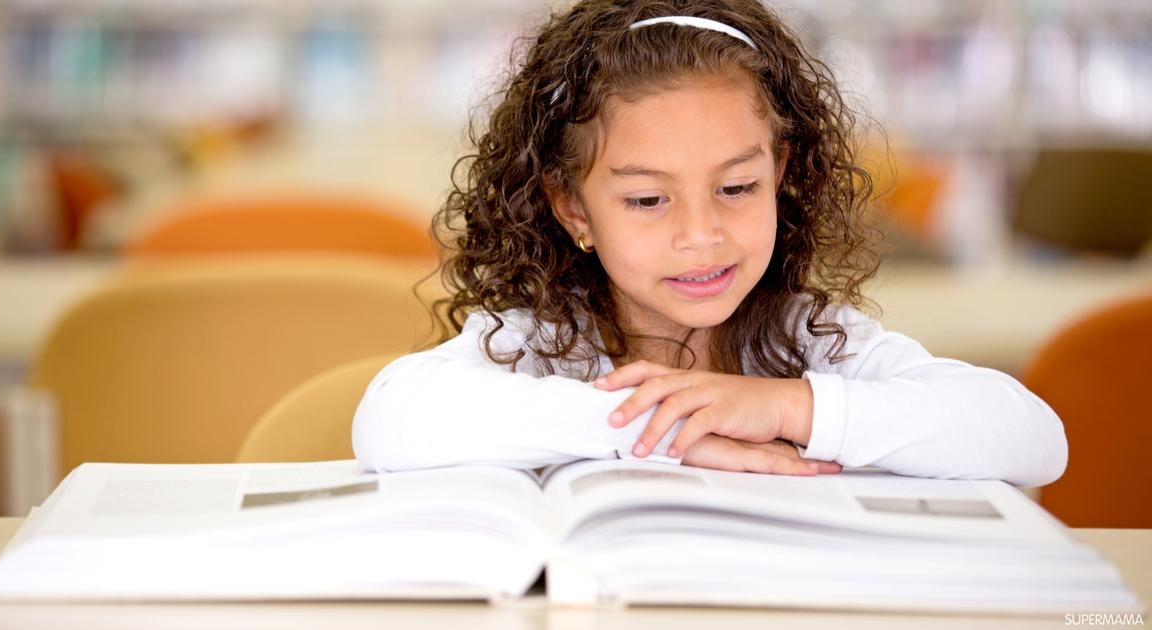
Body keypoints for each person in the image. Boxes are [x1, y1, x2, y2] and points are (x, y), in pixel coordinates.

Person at [352, 0, 1067, 487]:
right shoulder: (543, 339)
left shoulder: (805, 341)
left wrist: (784, 408)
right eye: (646, 200)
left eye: (737, 188)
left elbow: (1034, 438)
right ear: (573, 209)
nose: (701, 235)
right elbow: (390, 418)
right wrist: (667, 427)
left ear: (779, 175)